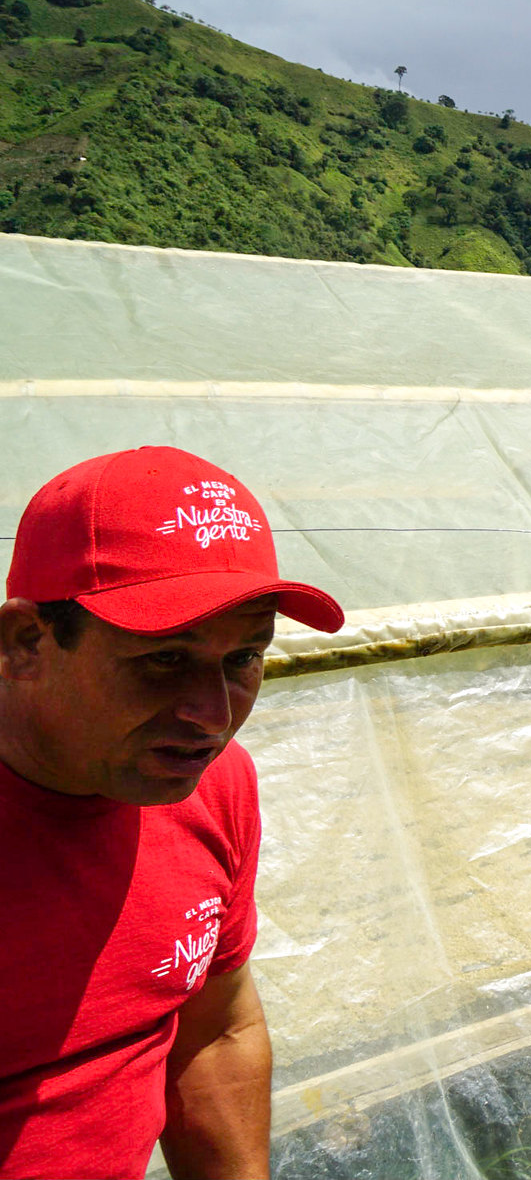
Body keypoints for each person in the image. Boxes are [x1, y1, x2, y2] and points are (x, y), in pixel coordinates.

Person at [0, 447, 344, 1180]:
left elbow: (211, 1034)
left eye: (243, 659)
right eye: (163, 659)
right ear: (25, 643)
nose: (212, 718)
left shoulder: (211, 785)